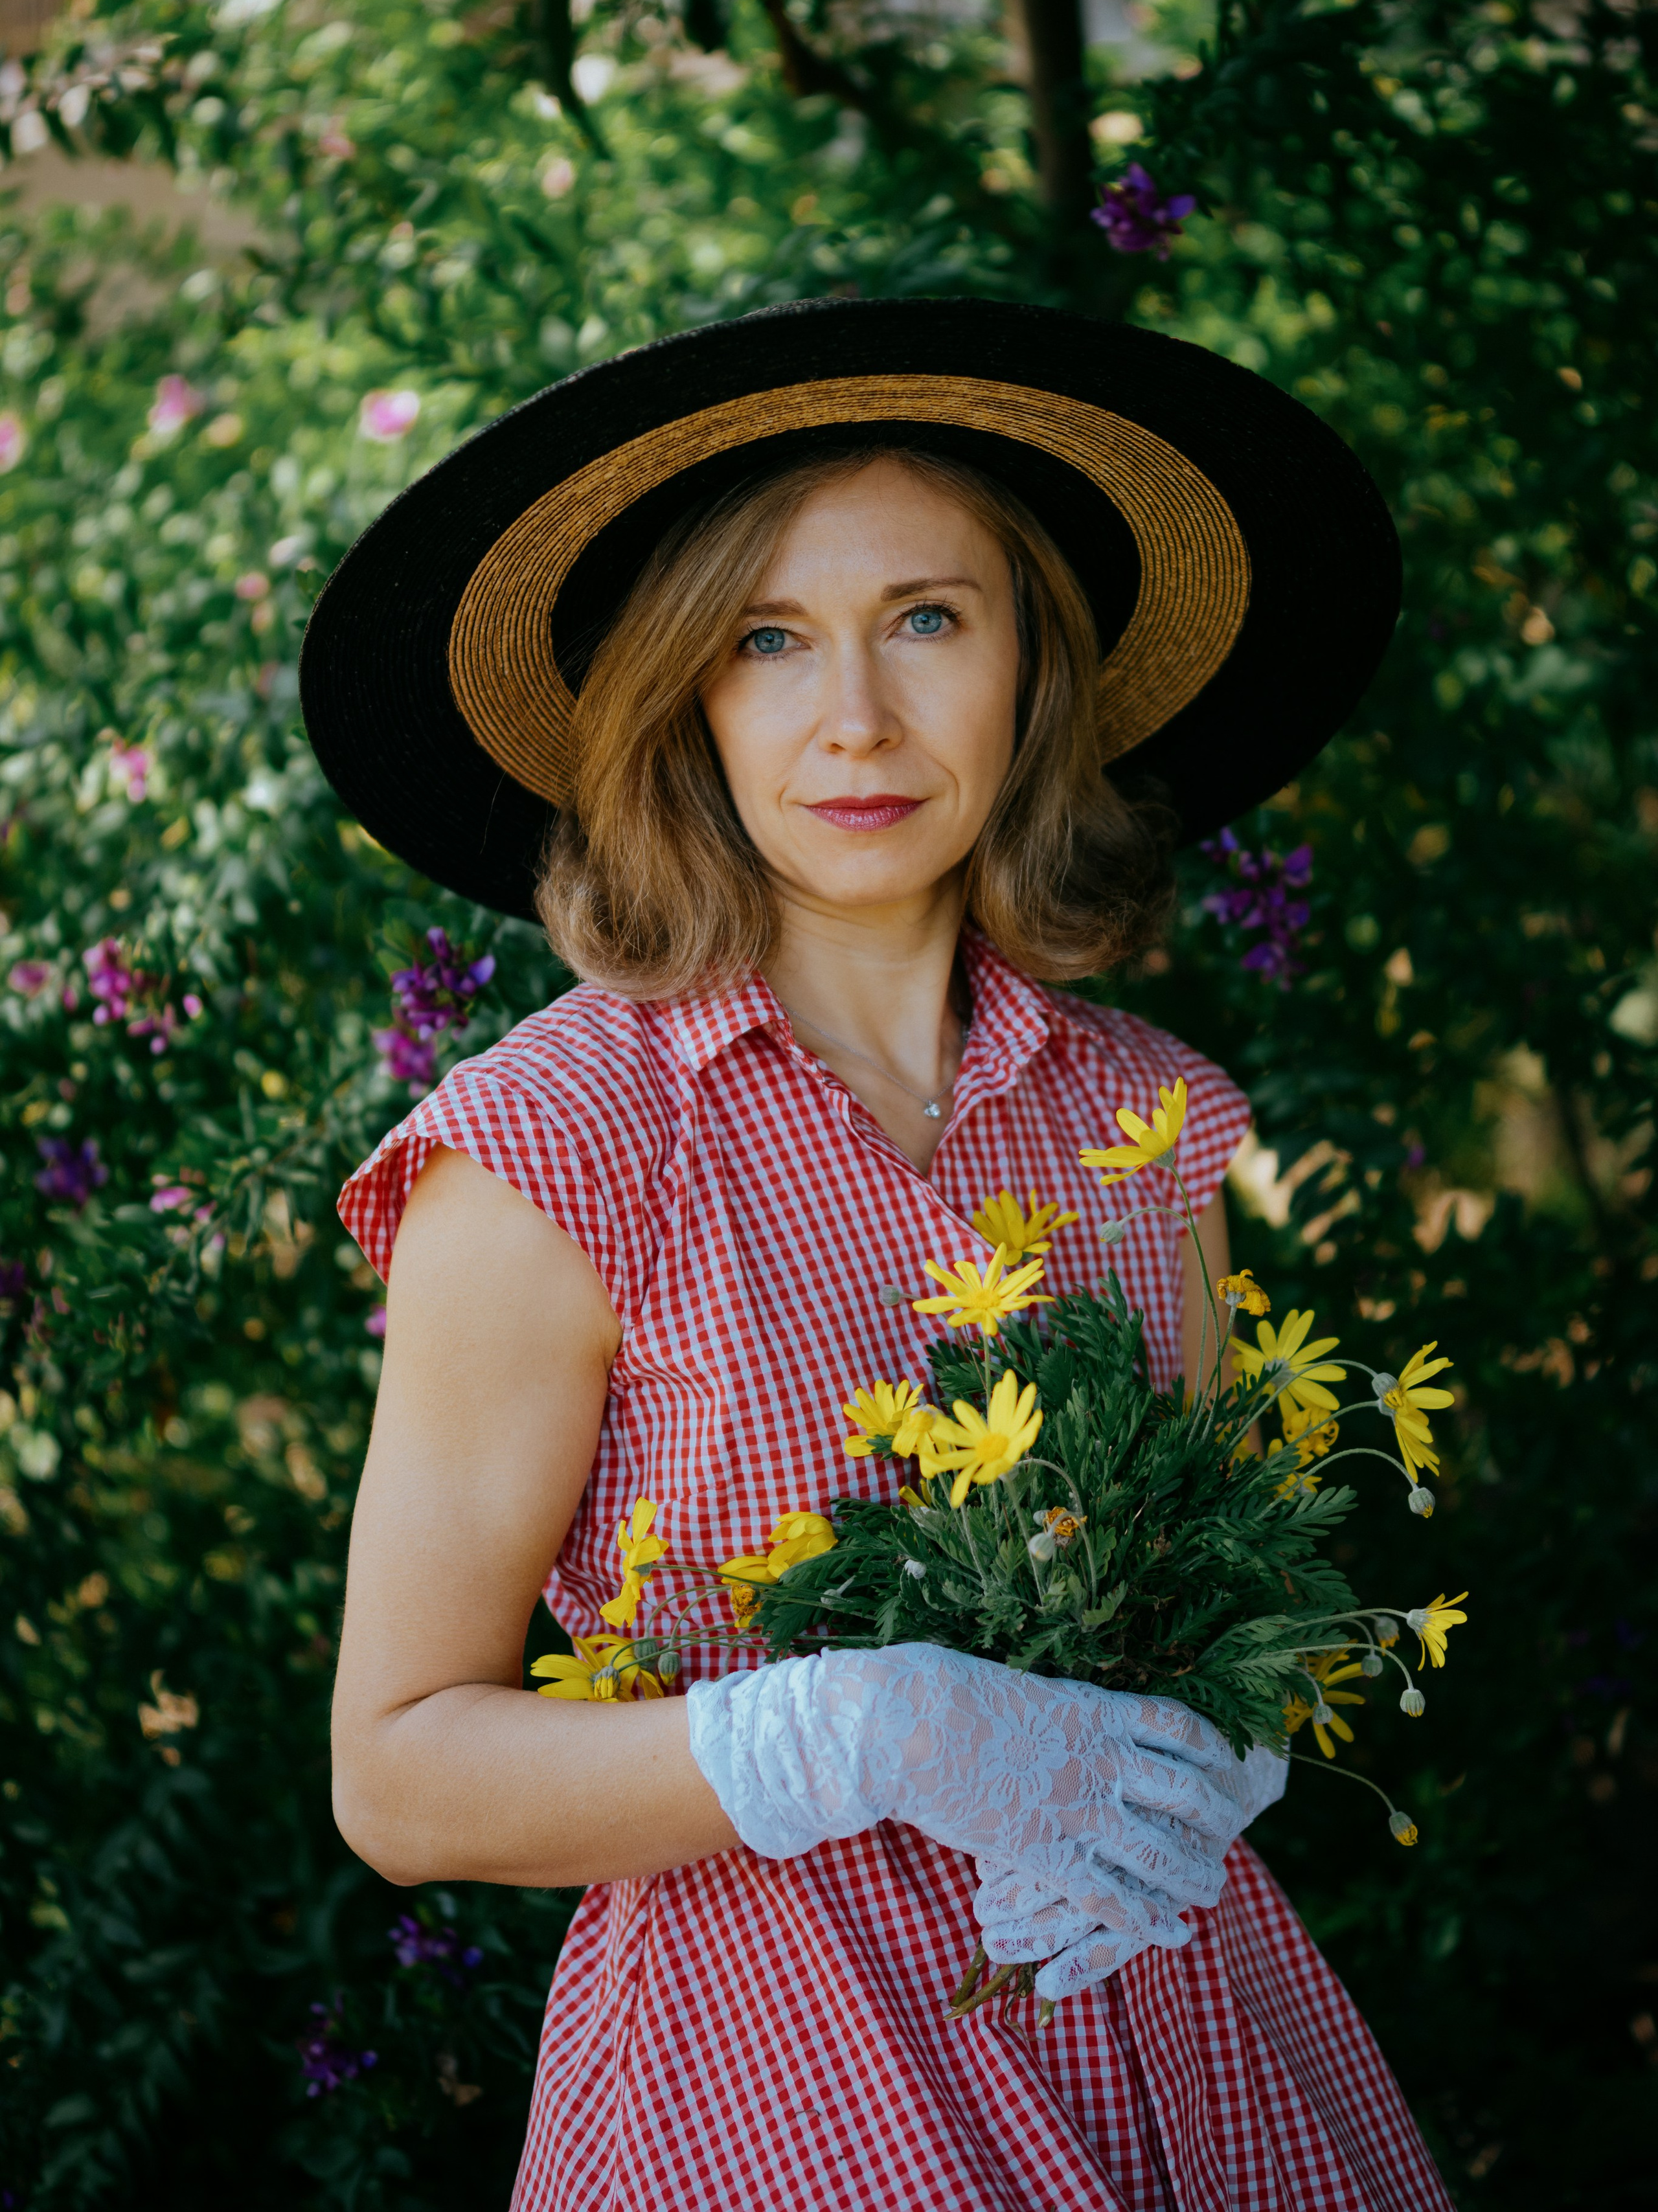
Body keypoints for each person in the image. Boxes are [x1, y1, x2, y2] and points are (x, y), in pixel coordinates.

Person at [306, 300, 1451, 2211]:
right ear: (684, 698)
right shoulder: (559, 1143)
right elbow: (399, 1776)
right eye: (768, 641)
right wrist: (846, 1730)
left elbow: (1202, 1599)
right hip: (777, 2076)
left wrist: (1213, 1739)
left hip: (1173, 2015)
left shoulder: (1143, 1122)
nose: (857, 716)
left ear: (1031, 670)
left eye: (929, 618)